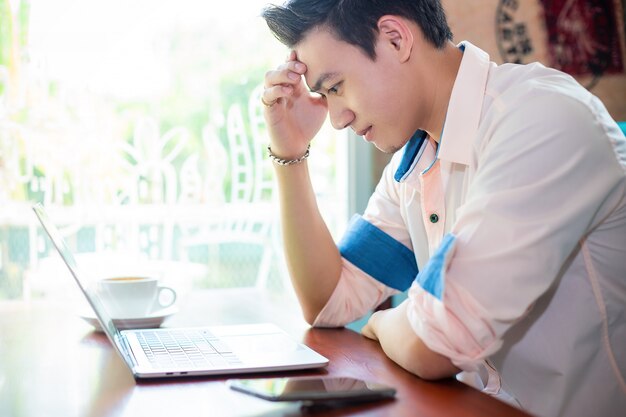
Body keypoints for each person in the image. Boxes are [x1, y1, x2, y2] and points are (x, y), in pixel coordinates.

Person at [259, 1, 626, 416]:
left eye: (336, 86)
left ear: (396, 39)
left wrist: (380, 324)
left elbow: (436, 344)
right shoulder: (414, 161)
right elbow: (328, 301)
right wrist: (290, 152)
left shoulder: (542, 119)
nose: (337, 118)